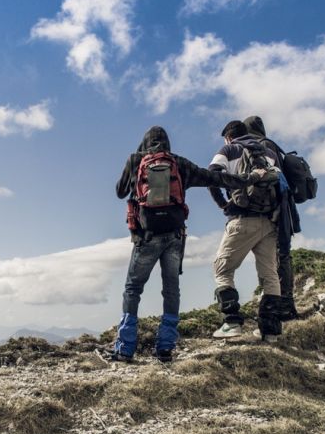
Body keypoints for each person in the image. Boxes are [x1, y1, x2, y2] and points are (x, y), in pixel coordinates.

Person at [112, 126, 255, 362]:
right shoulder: (179, 163)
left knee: (133, 288)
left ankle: (125, 348)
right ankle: (165, 348)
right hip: (175, 237)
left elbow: (120, 192)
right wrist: (248, 180)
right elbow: (214, 177)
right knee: (171, 290)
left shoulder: (136, 160)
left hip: (146, 237)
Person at [208, 120, 284, 342]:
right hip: (270, 221)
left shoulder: (228, 149)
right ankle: (270, 331)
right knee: (269, 274)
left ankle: (232, 323)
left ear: (229, 137)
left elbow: (212, 175)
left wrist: (223, 204)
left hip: (242, 219)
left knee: (222, 269)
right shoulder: (269, 152)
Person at [243, 116, 301, 321]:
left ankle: (279, 305)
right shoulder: (272, 145)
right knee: (282, 255)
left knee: (275, 257)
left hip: (273, 211)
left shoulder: (259, 147)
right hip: (284, 208)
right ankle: (285, 304)